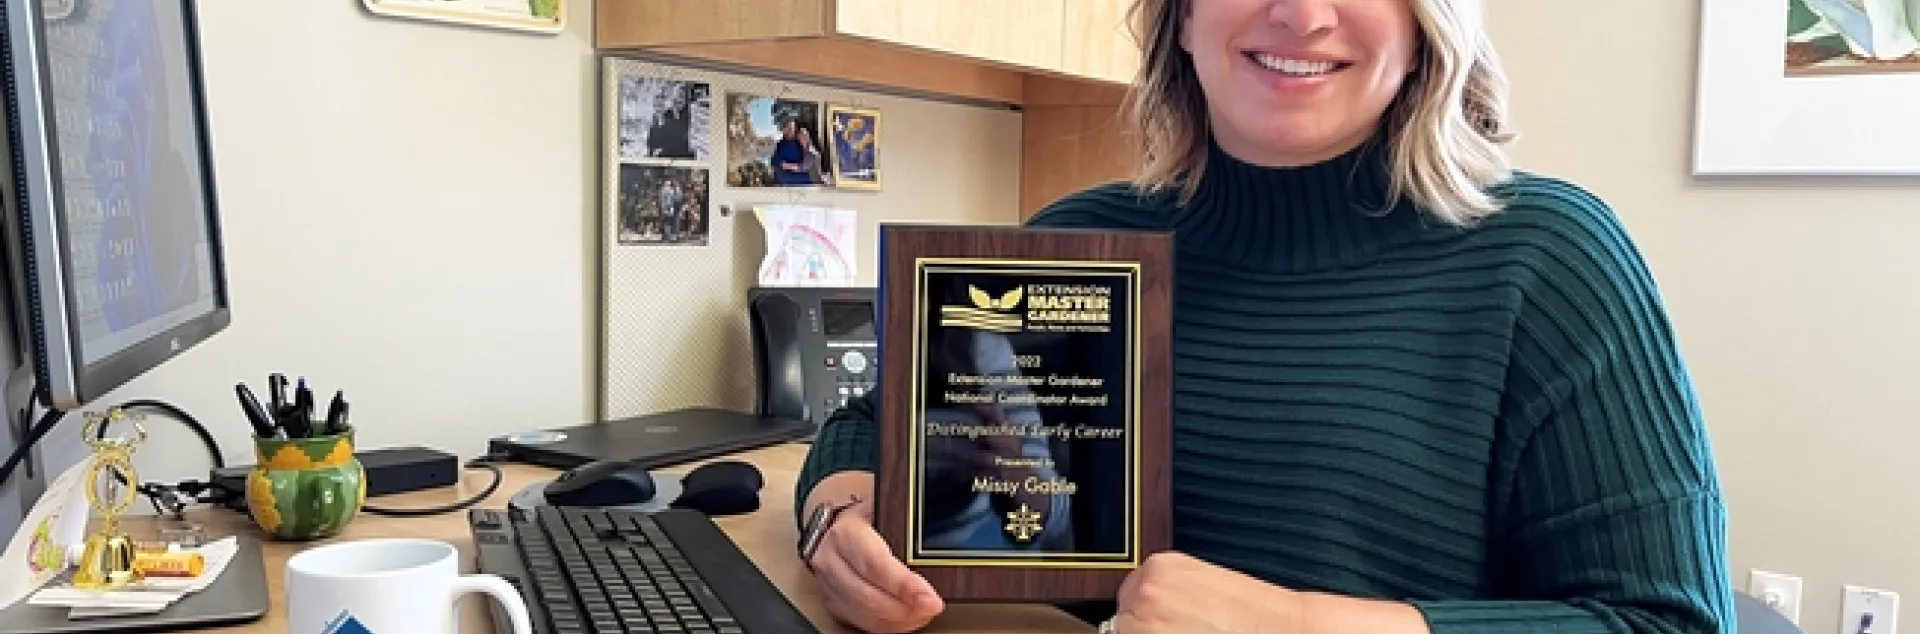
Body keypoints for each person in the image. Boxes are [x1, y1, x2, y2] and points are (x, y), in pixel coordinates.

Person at [793, 1, 1734, 633]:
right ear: (1184, 16)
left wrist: (1302, 625)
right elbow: (871, 429)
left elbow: (1666, 620)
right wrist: (838, 517)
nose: (1301, 12)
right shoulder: (1074, 243)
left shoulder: (1550, 256)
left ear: (1427, 22)